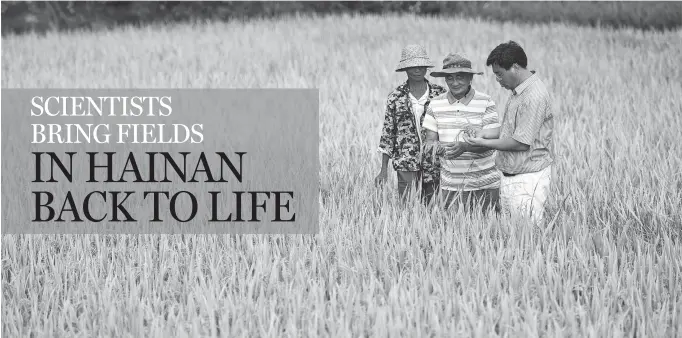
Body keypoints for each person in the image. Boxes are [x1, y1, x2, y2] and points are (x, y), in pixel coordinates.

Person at [463, 41, 555, 224]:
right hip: (512, 176)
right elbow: (510, 130)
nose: (498, 80)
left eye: (499, 74)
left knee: (527, 235)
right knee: (511, 233)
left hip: (527, 179)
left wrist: (483, 143)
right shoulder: (519, 92)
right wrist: (483, 133)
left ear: (515, 67)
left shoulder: (533, 96)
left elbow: (520, 142)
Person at [422, 53, 501, 214]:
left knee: (489, 234)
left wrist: (465, 147)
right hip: (451, 185)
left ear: (470, 78)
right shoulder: (435, 104)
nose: (455, 82)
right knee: (453, 234)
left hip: (485, 184)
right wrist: (438, 148)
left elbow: (493, 139)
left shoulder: (485, 102)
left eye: (460, 77)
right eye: (449, 78)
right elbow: (430, 141)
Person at [375, 44, 447, 205]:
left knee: (433, 207)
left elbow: (448, 128)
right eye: (412, 66)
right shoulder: (395, 97)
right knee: (407, 208)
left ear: (426, 67)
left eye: (421, 66)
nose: (417, 70)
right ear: (405, 69)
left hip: (434, 162)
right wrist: (383, 169)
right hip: (405, 161)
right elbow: (388, 134)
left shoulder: (440, 94)